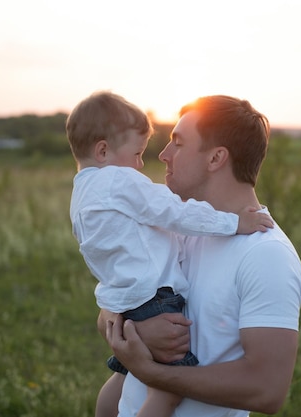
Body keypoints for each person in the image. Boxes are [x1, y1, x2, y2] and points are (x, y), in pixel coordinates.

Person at [66, 91, 274, 417]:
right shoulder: (118, 180)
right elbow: (173, 212)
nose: (146, 162)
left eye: (177, 143)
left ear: (217, 158)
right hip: (155, 297)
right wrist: (234, 222)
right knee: (166, 393)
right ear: (103, 150)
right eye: (137, 154)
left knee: (122, 379)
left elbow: (267, 391)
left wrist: (125, 327)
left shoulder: (82, 194)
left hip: (125, 299)